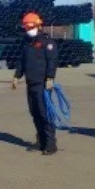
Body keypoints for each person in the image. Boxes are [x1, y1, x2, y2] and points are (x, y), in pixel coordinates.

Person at [11, 12, 58, 155]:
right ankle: (41, 141)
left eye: (30, 27)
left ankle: (50, 144)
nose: (28, 30)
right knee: (34, 113)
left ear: (38, 26)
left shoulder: (47, 42)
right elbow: (22, 61)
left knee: (44, 113)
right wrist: (17, 76)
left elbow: (52, 61)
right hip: (30, 83)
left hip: (43, 84)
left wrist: (50, 78)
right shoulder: (26, 42)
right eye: (26, 28)